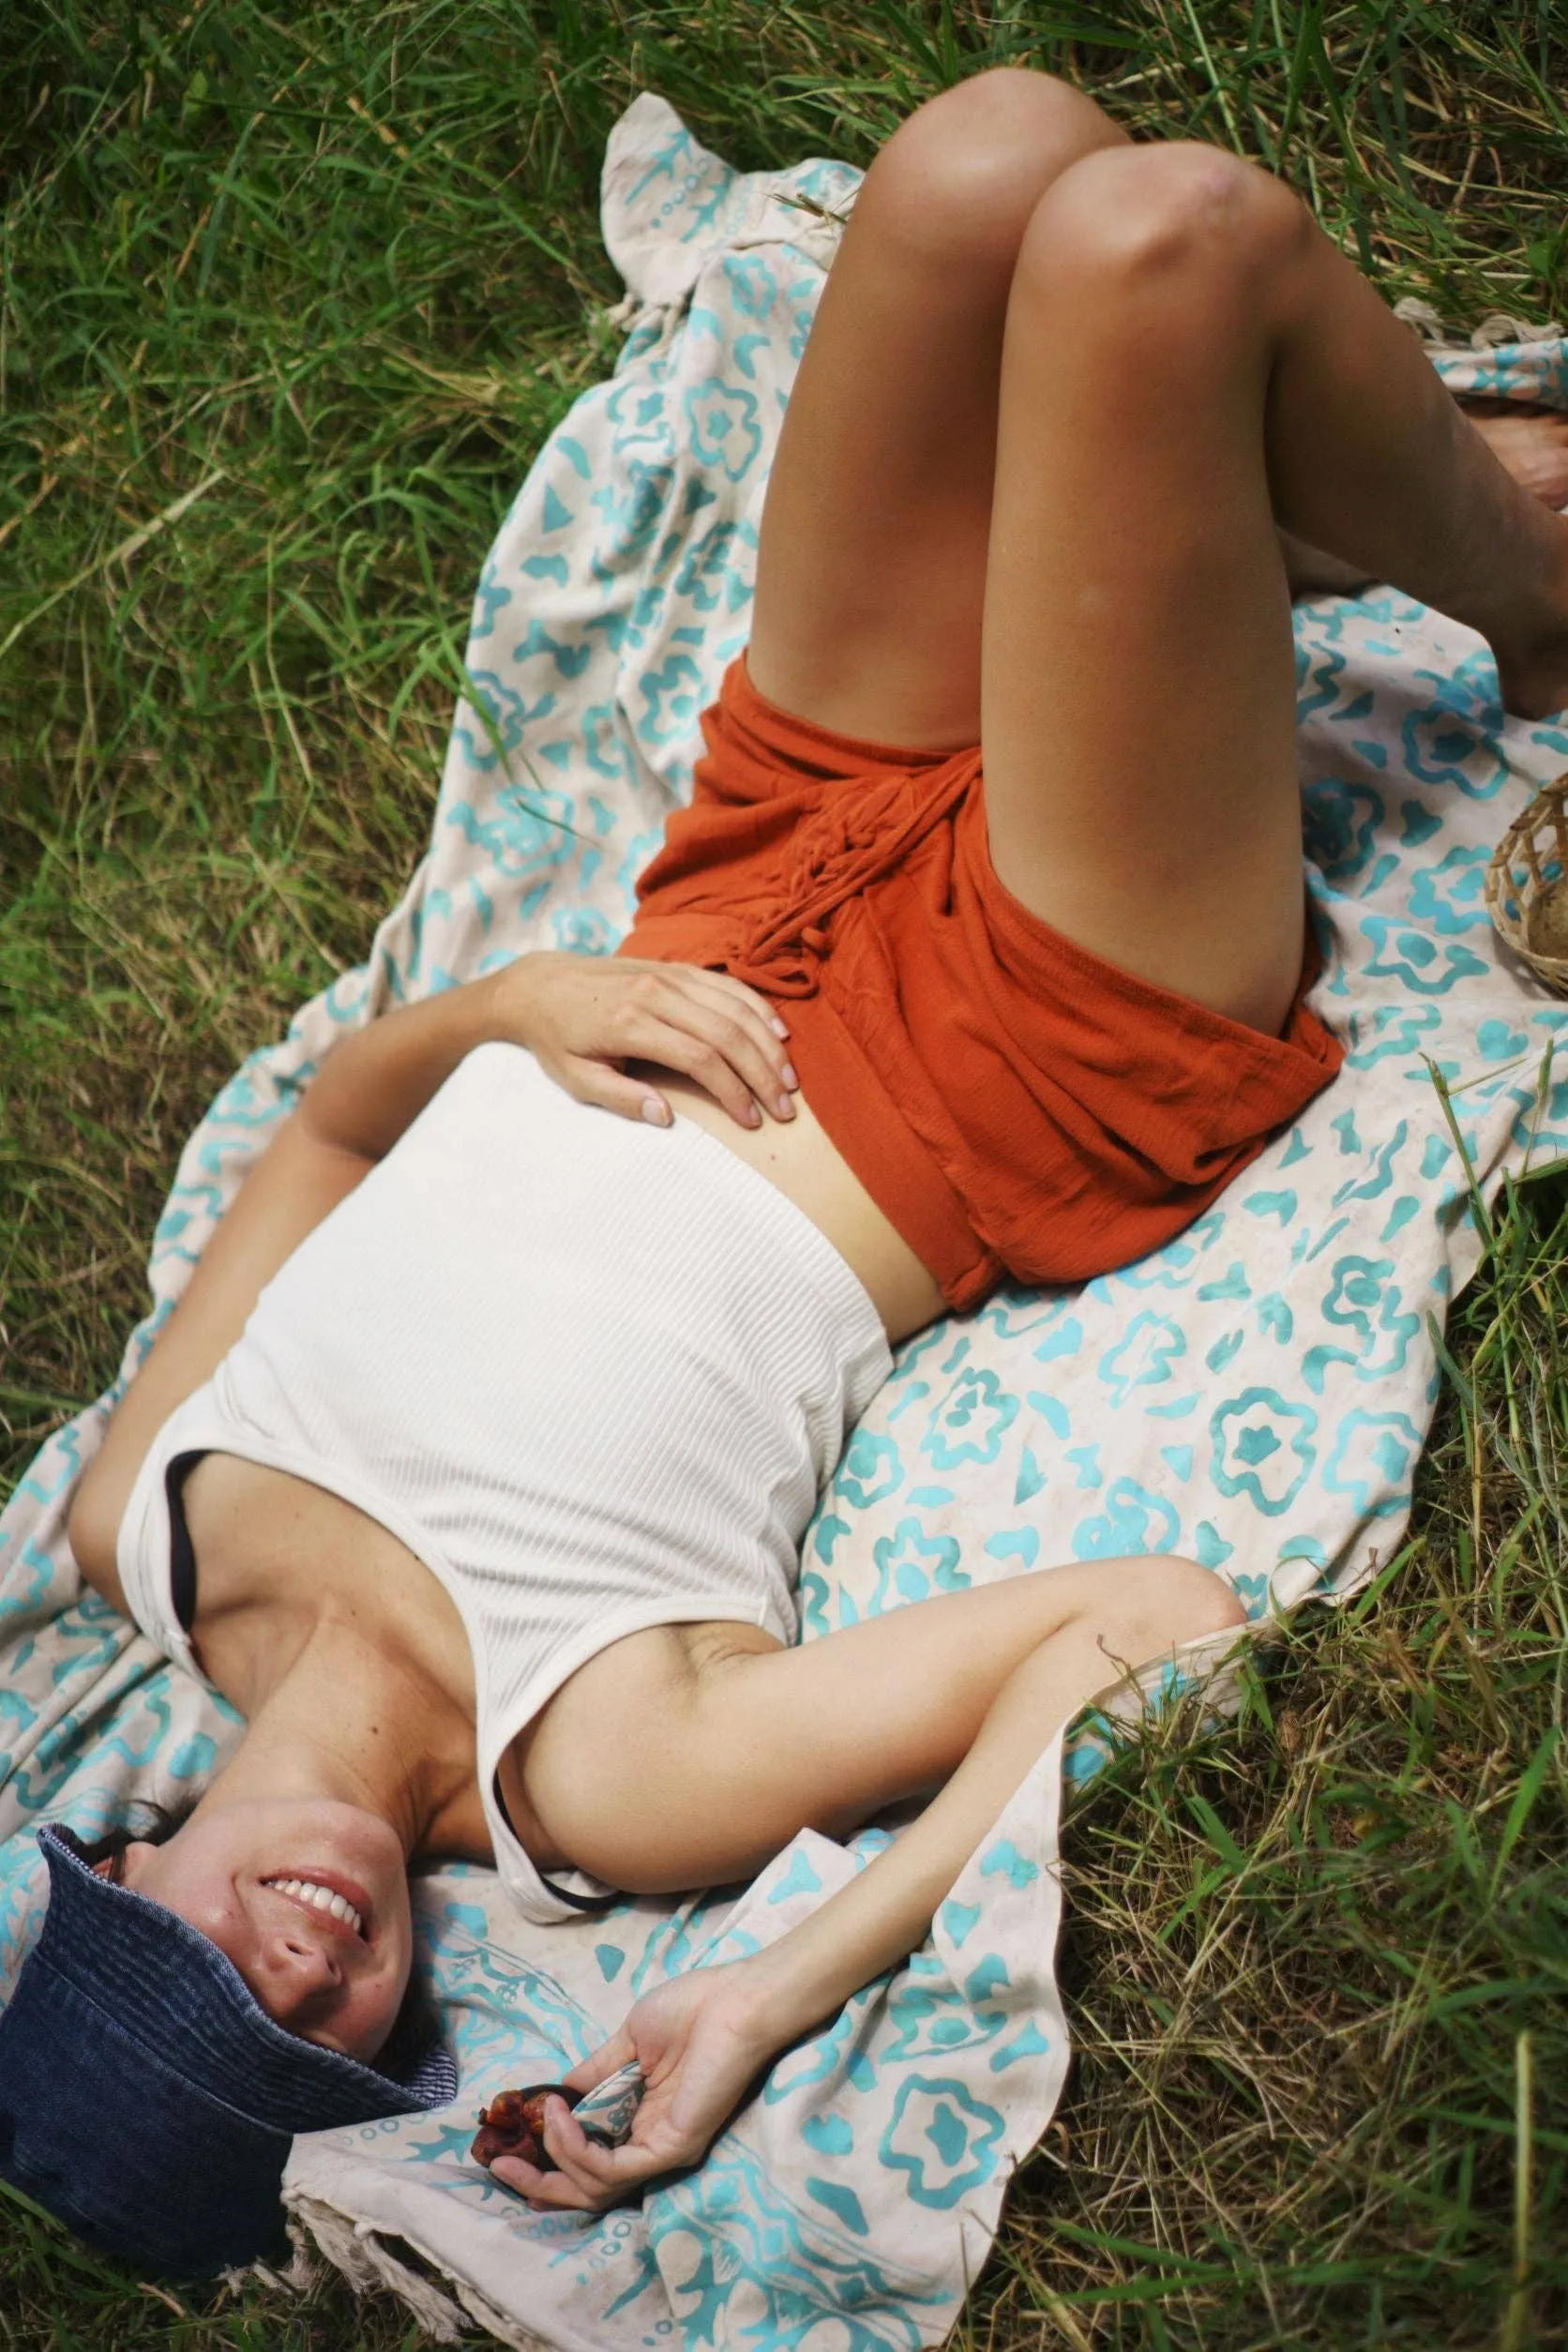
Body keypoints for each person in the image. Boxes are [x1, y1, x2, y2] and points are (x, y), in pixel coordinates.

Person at [8, 66, 1568, 2272]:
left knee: (989, 157)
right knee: (1156, 248)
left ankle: (1240, 528)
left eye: (196, 1988)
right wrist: (768, 1984)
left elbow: (337, 1118)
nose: (287, 1976)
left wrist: (510, 1007)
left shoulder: (138, 1516)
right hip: (1028, 1033)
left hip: (737, 878)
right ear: (391, 2041)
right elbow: (1136, 1624)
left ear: (123, 1870)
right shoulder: (599, 1788)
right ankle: (1522, 580)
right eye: (313, 2049)